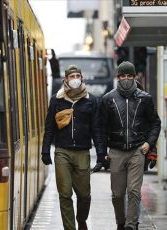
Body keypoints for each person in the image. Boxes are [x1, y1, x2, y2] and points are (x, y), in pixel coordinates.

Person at [94, 61, 161, 230]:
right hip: (116, 151)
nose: (126, 79)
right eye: (123, 76)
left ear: (134, 77)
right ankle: (121, 223)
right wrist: (102, 154)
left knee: (134, 191)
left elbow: (155, 123)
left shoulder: (145, 98)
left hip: (137, 150)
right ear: (118, 77)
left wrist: (149, 144)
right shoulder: (108, 99)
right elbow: (100, 129)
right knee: (117, 195)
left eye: (129, 76)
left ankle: (131, 225)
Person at [41, 65, 104, 230]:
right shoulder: (57, 100)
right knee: (65, 194)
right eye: (72, 76)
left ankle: (81, 219)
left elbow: (97, 129)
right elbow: (49, 127)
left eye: (78, 76)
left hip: (83, 152)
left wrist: (101, 154)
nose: (75, 79)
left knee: (84, 195)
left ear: (82, 78)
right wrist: (45, 150)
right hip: (62, 152)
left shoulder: (92, 100)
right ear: (66, 79)